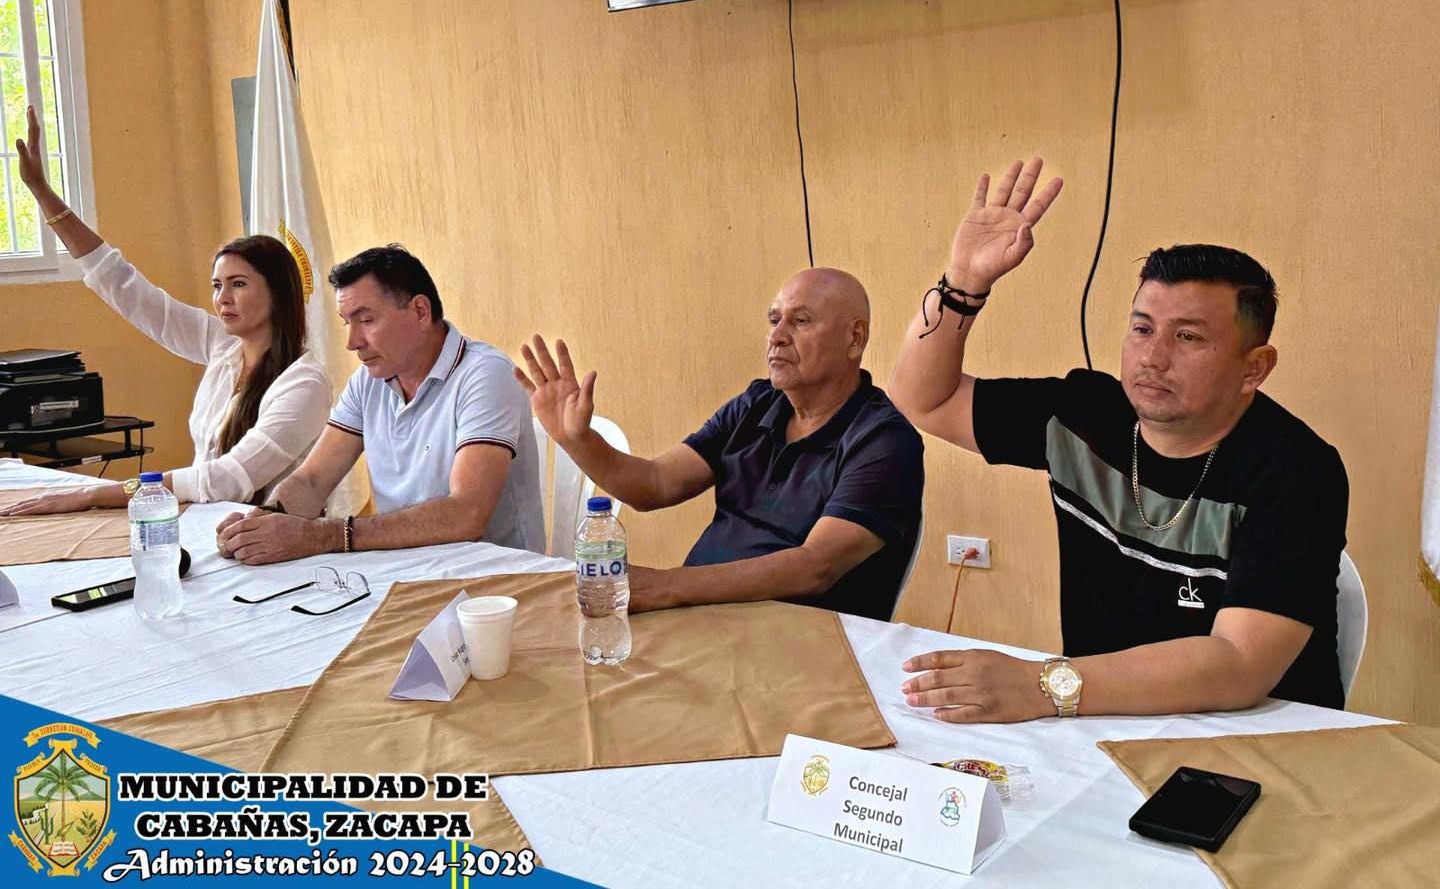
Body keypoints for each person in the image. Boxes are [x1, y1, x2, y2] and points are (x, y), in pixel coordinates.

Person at [888, 157, 1348, 720]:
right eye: (1142, 328)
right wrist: (963, 283)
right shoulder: (1084, 415)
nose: (1153, 357)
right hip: (1100, 721)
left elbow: (1238, 664)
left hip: (1255, 738)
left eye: (1188, 337)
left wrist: (1041, 685)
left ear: (1254, 368)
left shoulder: (1298, 471)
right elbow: (923, 398)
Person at [518, 268, 924, 621]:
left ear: (854, 338)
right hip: (703, 616)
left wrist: (666, 587)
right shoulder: (755, 405)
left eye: (801, 321)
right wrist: (577, 440)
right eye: (774, 320)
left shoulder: (885, 441)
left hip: (802, 639)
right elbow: (655, 484)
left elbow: (814, 567)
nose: (777, 337)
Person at [0, 105, 331, 515]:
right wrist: (43, 194)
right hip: (201, 521)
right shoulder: (223, 347)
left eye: (239, 284)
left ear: (279, 293)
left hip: (265, 536)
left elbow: (226, 478)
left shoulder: (304, 382)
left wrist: (93, 494)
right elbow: (126, 288)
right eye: (217, 286)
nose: (223, 298)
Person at [215, 245, 544, 563]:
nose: (352, 342)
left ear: (420, 311)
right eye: (347, 322)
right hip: (404, 570)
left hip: (495, 581)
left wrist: (322, 536)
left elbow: (466, 514)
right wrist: (264, 522)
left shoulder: (486, 374)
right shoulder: (368, 380)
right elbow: (312, 480)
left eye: (366, 320)